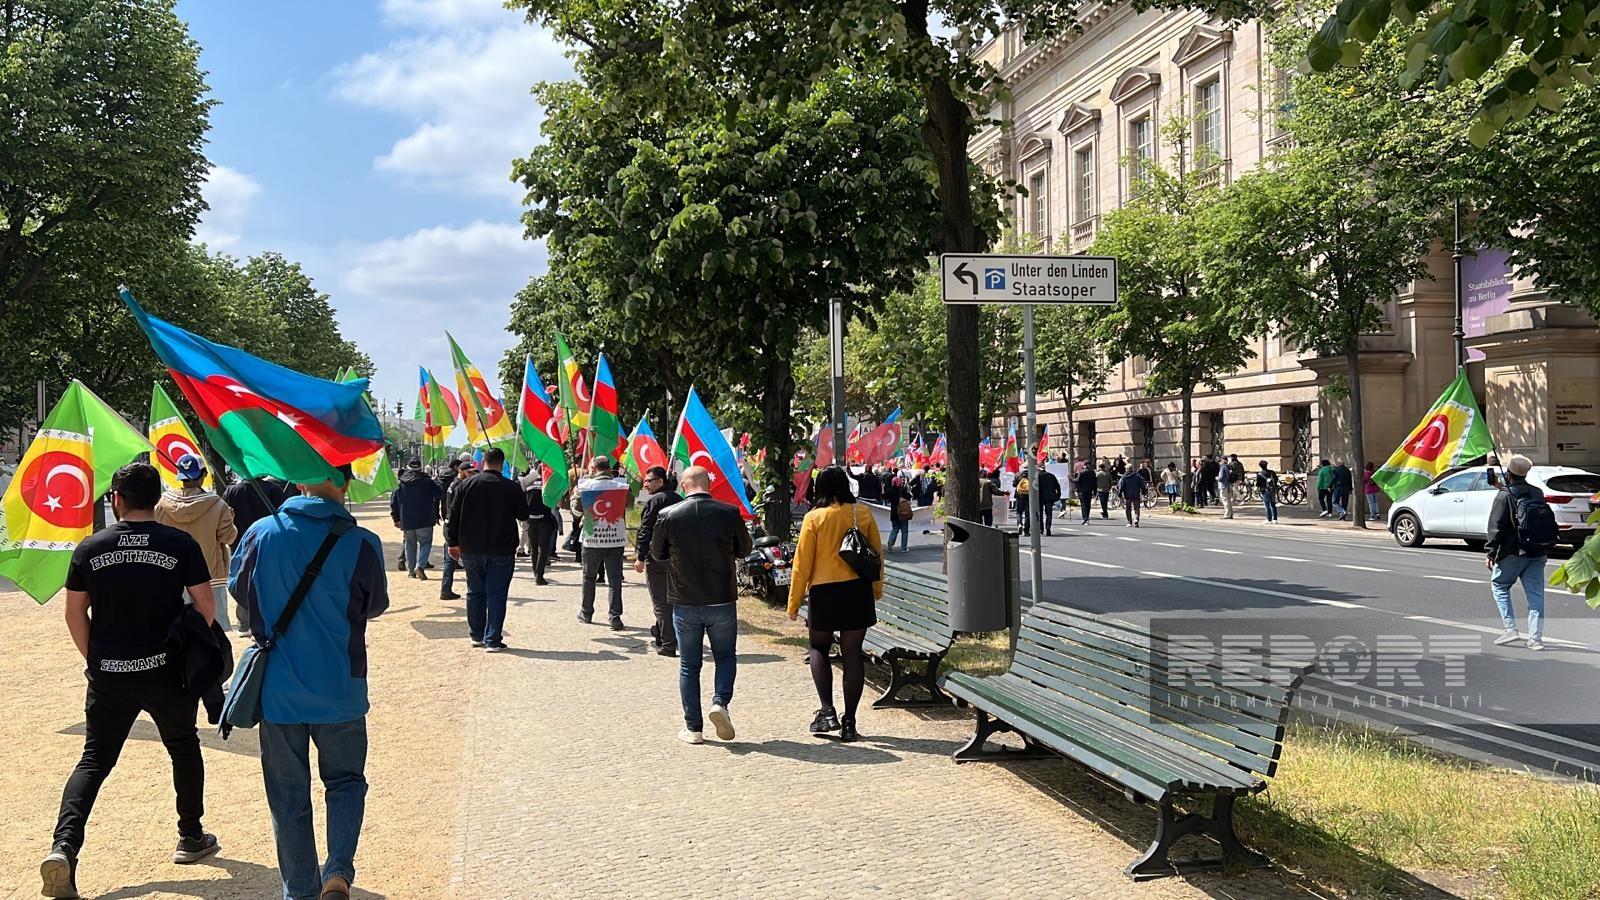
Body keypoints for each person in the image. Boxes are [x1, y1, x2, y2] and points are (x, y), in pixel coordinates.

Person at [42, 463, 220, 898]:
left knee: (94, 761)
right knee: (183, 746)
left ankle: (64, 847)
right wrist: (186, 645)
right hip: (166, 670)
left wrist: (97, 659)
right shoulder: (178, 543)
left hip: (110, 674)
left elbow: (74, 613)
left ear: (116, 499)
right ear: (157, 499)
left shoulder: (90, 548)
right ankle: (190, 835)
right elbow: (206, 604)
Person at [231, 463, 388, 900]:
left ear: (299, 480)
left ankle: (300, 891)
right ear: (346, 482)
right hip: (341, 686)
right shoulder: (362, 542)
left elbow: (241, 591)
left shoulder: (262, 532)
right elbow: (374, 605)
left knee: (287, 797)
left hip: (278, 690)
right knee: (346, 781)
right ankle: (337, 871)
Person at [651, 466, 751, 744]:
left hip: (685, 599)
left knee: (689, 665)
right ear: (709, 484)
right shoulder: (728, 513)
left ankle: (693, 728)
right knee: (726, 656)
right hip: (721, 597)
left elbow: (657, 553)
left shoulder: (668, 515)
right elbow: (745, 549)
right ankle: (720, 702)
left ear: (684, 485)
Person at [787, 466, 882, 742]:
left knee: (819, 647)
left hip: (824, 591)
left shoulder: (814, 518)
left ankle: (827, 711)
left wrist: (794, 602)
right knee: (852, 654)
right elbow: (876, 555)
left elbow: (802, 564)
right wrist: (876, 589)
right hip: (857, 590)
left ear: (820, 489)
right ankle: (849, 722)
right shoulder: (862, 513)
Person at [446, 448, 528, 652]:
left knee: (475, 591)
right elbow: (523, 515)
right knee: (497, 594)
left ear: (483, 462)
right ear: (502, 463)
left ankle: (476, 634)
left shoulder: (465, 485)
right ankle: (492, 639)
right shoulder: (511, 487)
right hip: (501, 547)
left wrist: (452, 542)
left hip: (471, 547)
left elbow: (453, 515)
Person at [155, 454, 239, 632]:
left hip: (172, 574)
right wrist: (231, 520)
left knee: (177, 630)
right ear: (203, 475)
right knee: (213, 631)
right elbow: (229, 538)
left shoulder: (162, 503)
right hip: (210, 577)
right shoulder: (218, 505)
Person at [1485, 455, 1554, 650]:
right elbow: (1521, 501)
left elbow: (1496, 528)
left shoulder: (1504, 496)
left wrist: (1490, 553)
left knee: (1499, 585)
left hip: (1513, 551)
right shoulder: (1537, 492)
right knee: (1536, 595)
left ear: (1509, 473)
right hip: (1538, 550)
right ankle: (1536, 639)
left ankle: (1510, 629)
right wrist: (1502, 488)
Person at [575, 456, 631, 629]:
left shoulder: (585, 486)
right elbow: (629, 505)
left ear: (594, 467)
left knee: (589, 577)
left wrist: (576, 496)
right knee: (615, 580)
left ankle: (586, 613)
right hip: (615, 538)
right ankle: (615, 617)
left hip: (592, 539)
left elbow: (576, 512)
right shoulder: (621, 486)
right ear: (608, 467)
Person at [634, 465, 682, 656]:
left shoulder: (655, 501)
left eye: (649, 481)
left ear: (660, 481)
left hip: (657, 558)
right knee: (675, 599)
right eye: (644, 481)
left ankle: (668, 643)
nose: (645, 485)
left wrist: (640, 557)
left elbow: (645, 530)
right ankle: (663, 634)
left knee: (661, 601)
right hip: (678, 557)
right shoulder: (679, 500)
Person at [391, 457, 443, 580]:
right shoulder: (427, 481)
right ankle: (420, 565)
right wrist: (436, 482)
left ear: (408, 467)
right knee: (425, 543)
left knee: (410, 545)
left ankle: (411, 571)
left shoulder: (400, 483)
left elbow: (394, 501)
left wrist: (396, 518)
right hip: (425, 519)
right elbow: (439, 493)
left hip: (406, 519)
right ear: (420, 467)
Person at [435, 459, 468, 601]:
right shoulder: (458, 486)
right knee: (456, 559)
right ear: (461, 471)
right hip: (455, 526)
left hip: (450, 524)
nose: (471, 474)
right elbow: (456, 509)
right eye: (469, 472)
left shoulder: (452, 484)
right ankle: (447, 589)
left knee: (451, 559)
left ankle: (446, 589)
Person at [520, 469, 559, 585]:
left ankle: (535, 572)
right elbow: (556, 503)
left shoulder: (528, 482)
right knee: (543, 549)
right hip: (544, 519)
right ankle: (539, 576)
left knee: (534, 548)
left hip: (531, 519)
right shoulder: (548, 485)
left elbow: (522, 499)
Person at [885, 474, 911, 552]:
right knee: (904, 531)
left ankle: (891, 541)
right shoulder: (902, 490)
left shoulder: (890, 491)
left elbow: (884, 496)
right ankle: (904, 548)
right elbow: (909, 496)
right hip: (903, 512)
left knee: (895, 528)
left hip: (894, 512)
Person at [1035, 466, 1061, 536]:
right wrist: (1058, 496)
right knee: (1049, 513)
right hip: (1050, 497)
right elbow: (1057, 486)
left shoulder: (1037, 476)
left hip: (1040, 497)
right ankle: (1048, 528)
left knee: (1040, 513)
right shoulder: (1051, 476)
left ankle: (1041, 528)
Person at [1013, 470, 1031, 535]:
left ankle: (1019, 524)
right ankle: (1026, 531)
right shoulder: (1032, 474)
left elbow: (1014, 484)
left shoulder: (1017, 475)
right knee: (1028, 514)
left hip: (1019, 496)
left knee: (1019, 512)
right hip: (1029, 497)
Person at [1217, 456, 1235, 520]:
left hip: (1223, 485)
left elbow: (1221, 477)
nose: (1220, 462)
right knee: (1228, 500)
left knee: (1225, 500)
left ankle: (1227, 514)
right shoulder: (1228, 467)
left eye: (1220, 461)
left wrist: (1217, 478)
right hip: (1228, 484)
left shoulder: (1222, 467)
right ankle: (1230, 514)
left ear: (1222, 461)